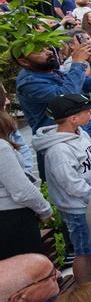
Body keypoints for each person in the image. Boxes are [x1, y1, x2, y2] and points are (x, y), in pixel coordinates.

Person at [33, 94, 91, 285]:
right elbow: (72, 185)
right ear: (73, 118)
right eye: (87, 111)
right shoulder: (59, 151)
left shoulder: (80, 133)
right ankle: (84, 290)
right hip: (78, 209)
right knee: (84, 251)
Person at [15, 40, 91, 142]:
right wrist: (77, 63)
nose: (49, 52)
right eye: (39, 51)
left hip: (84, 135)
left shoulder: (54, 72)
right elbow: (67, 96)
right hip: (63, 142)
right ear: (23, 61)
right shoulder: (29, 83)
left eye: (46, 48)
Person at [0, 87, 53, 260]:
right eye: (4, 97)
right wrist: (45, 210)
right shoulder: (2, 148)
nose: (8, 101)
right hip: (13, 221)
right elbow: (22, 191)